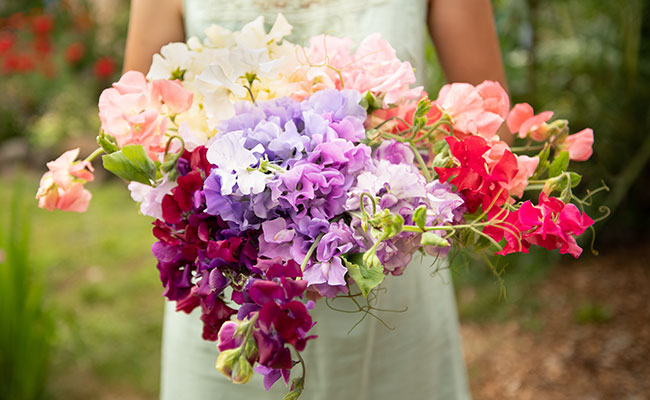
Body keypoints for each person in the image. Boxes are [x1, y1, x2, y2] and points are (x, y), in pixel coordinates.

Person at [123, 1, 508, 399]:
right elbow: (137, 130)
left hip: (391, 296)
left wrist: (365, 205)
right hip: (235, 308)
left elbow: (491, 133)